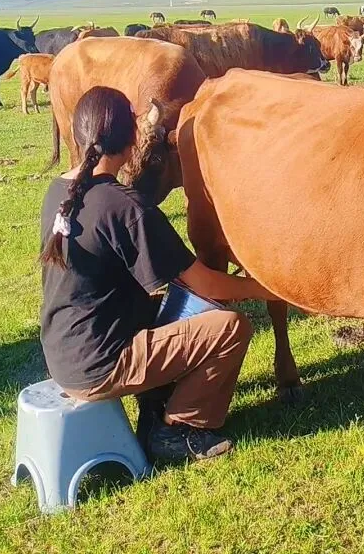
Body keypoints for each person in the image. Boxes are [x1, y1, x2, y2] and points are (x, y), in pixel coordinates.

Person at [38, 86, 277, 463]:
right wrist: (267, 289)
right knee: (230, 327)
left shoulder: (60, 190)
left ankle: (155, 405)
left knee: (168, 304)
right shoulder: (125, 206)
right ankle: (178, 430)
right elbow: (208, 283)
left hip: (64, 351)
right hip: (100, 365)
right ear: (133, 138)